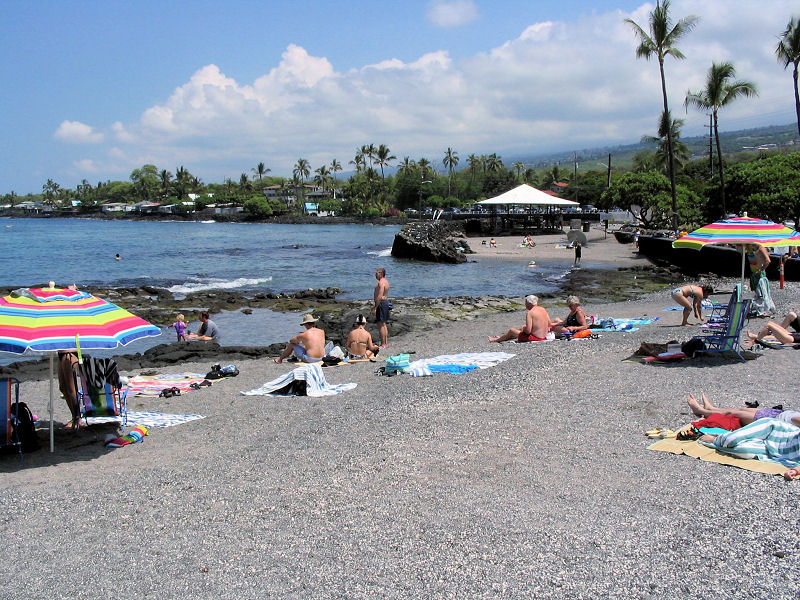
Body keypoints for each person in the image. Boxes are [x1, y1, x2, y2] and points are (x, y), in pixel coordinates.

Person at [686, 392, 800, 428]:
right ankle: (712, 408)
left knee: (733, 414)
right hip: (779, 414)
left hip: (771, 421)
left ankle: (701, 411)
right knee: (740, 409)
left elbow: (795, 419)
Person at [747, 244, 775, 317]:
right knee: (758, 292)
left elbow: (768, 260)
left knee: (761, 293)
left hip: (760, 274)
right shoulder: (752, 247)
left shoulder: (761, 248)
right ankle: (760, 309)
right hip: (754, 273)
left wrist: (761, 269)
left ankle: (763, 310)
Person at [372, 267, 391, 349]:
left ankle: (383, 344)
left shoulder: (382, 283)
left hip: (382, 303)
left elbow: (379, 296)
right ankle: (385, 343)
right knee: (383, 323)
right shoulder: (384, 282)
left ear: (381, 274)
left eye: (377, 272)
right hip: (384, 302)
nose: (376, 274)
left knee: (381, 324)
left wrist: (375, 307)